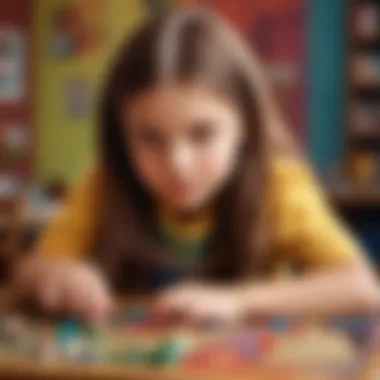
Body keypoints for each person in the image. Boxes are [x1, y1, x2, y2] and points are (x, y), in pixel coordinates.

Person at [14, 10, 379, 323]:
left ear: (245, 127)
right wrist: (55, 274)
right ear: (120, 134)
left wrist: (238, 302)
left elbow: (361, 288)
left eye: (202, 134)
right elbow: (28, 273)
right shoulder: (105, 183)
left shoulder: (278, 185)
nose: (178, 164)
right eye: (150, 138)